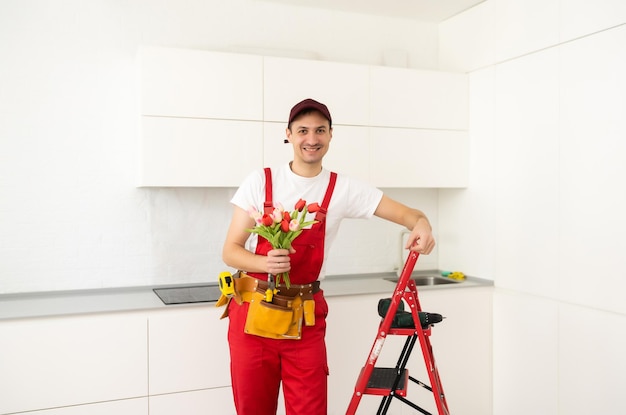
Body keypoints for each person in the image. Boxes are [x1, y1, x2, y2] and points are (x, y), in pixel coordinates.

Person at [221, 98, 435, 415]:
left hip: (305, 320)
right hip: (252, 317)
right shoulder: (260, 181)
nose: (312, 139)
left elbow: (409, 215)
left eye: (320, 130)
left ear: (330, 135)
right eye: (303, 130)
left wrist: (423, 225)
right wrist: (264, 263)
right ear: (289, 134)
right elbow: (230, 251)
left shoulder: (343, 189)